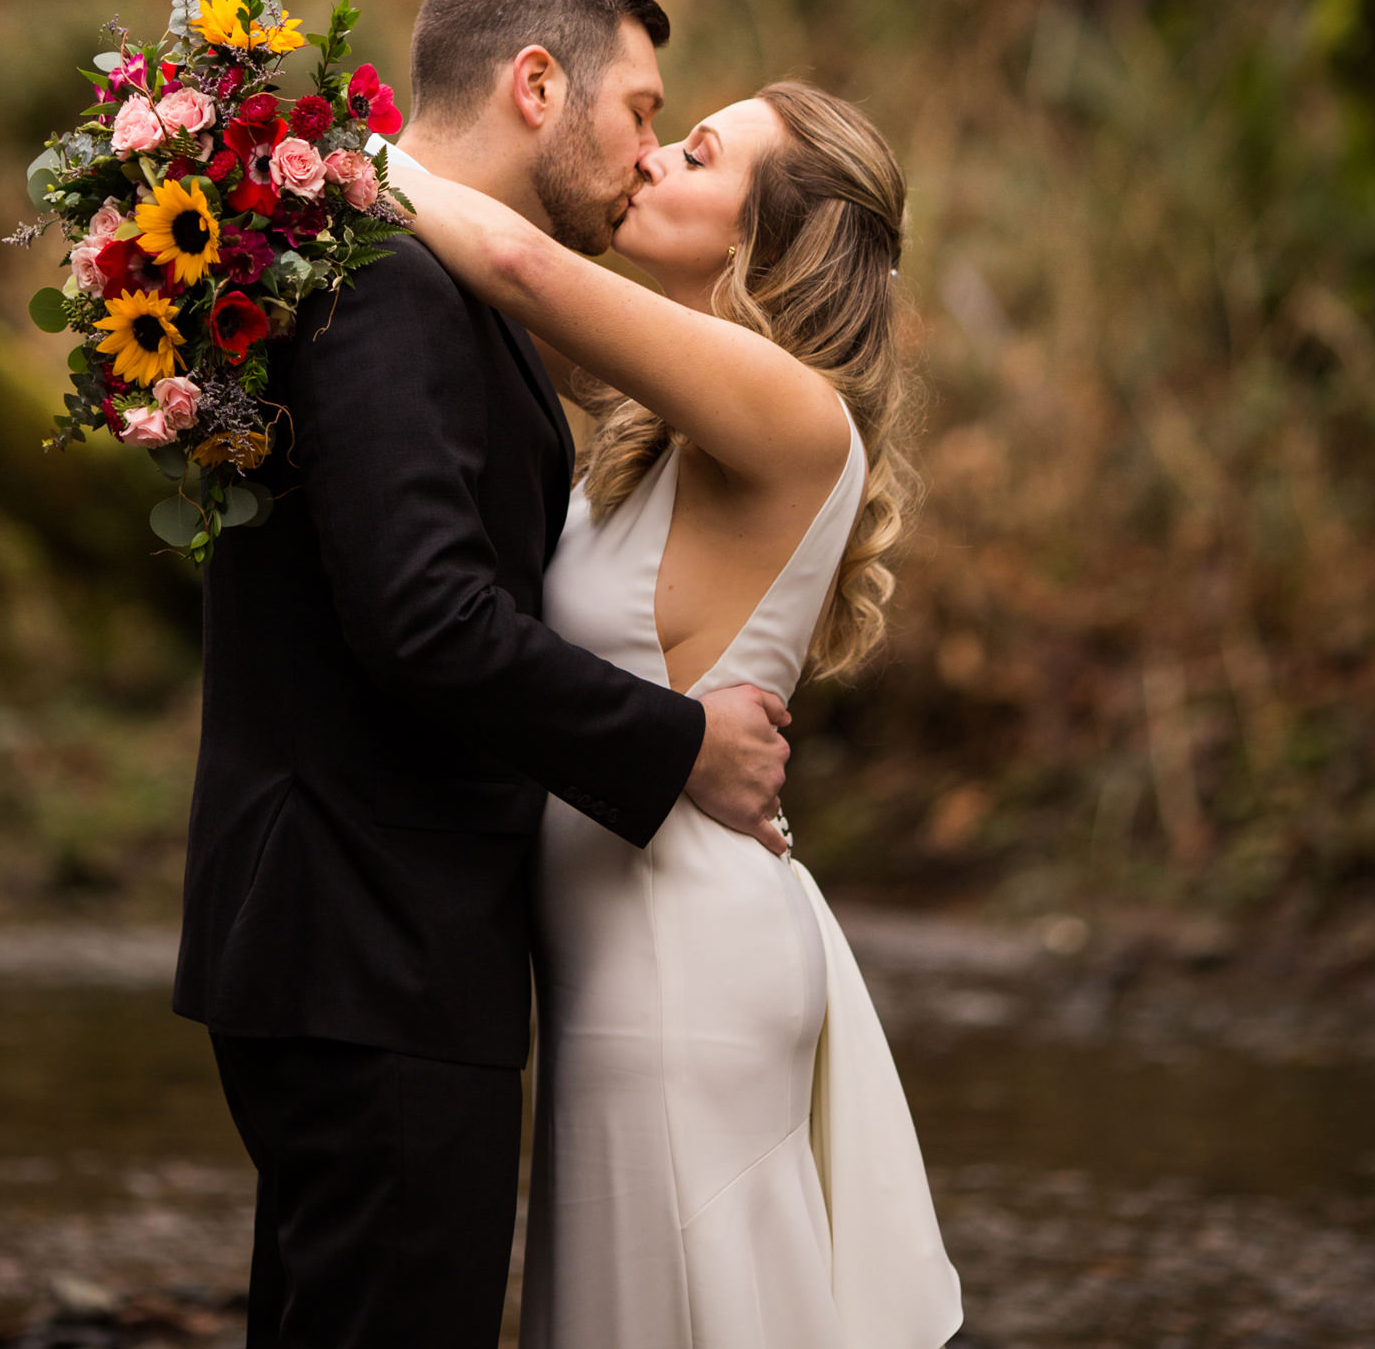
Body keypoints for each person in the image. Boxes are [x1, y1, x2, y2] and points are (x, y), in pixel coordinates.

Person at [173, 0, 793, 1349]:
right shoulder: (391, 281)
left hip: (372, 930)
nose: (647, 154)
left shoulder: (437, 283)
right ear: (535, 84)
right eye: (642, 109)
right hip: (365, 930)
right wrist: (679, 742)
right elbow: (426, 617)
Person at [400, 77, 963, 1349]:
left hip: (681, 965)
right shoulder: (655, 423)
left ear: (767, 235)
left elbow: (509, 261)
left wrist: (310, 162)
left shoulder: (789, 413)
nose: (646, 162)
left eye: (694, 153)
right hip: (620, 959)